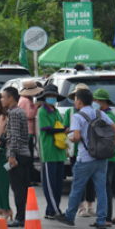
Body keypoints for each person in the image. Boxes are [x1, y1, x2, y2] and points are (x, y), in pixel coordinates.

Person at [56, 88, 115, 229]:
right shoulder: (100, 113)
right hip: (101, 158)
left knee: (77, 188)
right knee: (101, 190)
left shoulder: (78, 117)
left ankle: (70, 216)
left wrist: (72, 140)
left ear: (78, 101)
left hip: (85, 159)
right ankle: (102, 221)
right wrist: (112, 147)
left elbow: (77, 137)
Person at [95, 88, 115, 225]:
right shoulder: (112, 115)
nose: (93, 103)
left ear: (102, 102)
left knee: (106, 187)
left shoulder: (105, 116)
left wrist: (109, 150)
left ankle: (107, 218)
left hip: (107, 157)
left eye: (95, 100)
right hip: (114, 156)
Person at [64, 83, 96, 217]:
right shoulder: (70, 112)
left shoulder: (93, 112)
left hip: (91, 150)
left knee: (91, 180)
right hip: (76, 151)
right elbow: (65, 130)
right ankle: (80, 206)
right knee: (78, 180)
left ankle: (90, 205)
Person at [36, 85, 67, 219]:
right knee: (50, 184)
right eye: (49, 96)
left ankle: (51, 211)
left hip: (60, 152)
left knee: (59, 184)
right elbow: (48, 129)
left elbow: (60, 127)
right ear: (44, 97)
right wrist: (64, 130)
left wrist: (65, 130)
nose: (52, 98)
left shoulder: (55, 111)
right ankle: (55, 210)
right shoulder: (42, 111)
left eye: (54, 96)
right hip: (49, 152)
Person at [1, 86, 30, 227]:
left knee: (17, 187)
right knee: (24, 187)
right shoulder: (21, 112)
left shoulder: (13, 113)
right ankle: (24, 215)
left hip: (16, 154)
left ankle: (20, 217)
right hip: (25, 153)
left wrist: (11, 155)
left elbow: (14, 136)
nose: (1, 100)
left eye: (3, 97)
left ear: (10, 98)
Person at [18, 81, 43, 185]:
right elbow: (30, 114)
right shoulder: (26, 101)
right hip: (27, 132)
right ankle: (28, 179)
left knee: (29, 157)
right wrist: (37, 105)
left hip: (27, 132)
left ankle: (29, 178)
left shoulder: (25, 100)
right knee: (28, 158)